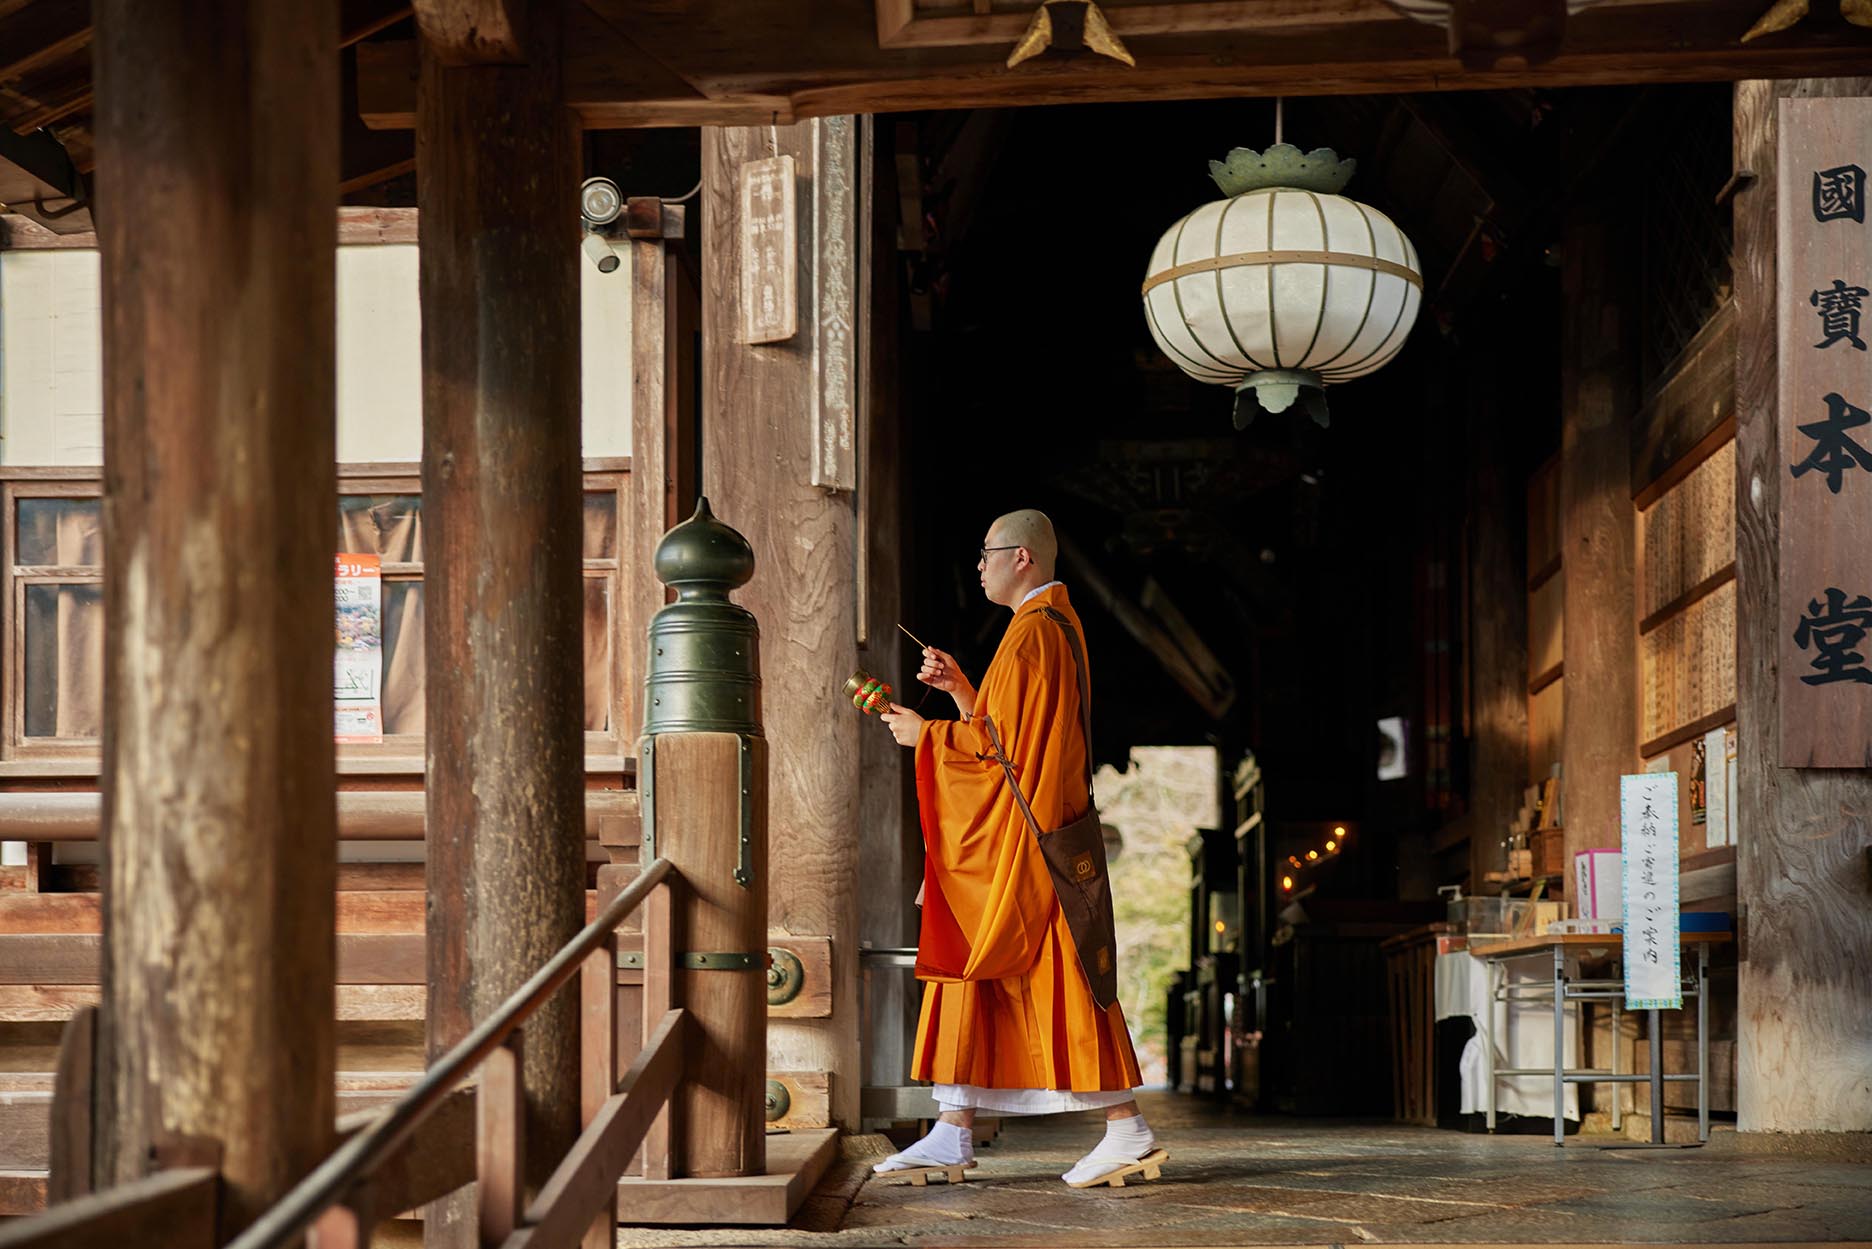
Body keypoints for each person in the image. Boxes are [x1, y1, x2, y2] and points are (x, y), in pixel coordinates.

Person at [872, 509, 1166, 1190]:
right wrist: (962, 692)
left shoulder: (1036, 635)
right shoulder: (1035, 631)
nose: (978, 565)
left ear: (1023, 558)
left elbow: (1002, 754)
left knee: (1058, 971)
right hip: (1020, 830)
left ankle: (1125, 1127)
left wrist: (928, 735)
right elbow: (1008, 732)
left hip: (1027, 841)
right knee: (975, 968)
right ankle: (952, 1126)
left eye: (987, 554)